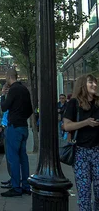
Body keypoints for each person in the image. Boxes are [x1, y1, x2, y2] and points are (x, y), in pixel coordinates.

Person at [62, 74, 99, 211]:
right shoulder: (74, 103)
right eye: (91, 82)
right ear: (83, 84)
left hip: (97, 151)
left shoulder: (98, 103)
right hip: (80, 152)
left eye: (95, 82)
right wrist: (86, 122)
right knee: (84, 193)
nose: (94, 85)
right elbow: (66, 126)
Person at [0, 68, 33, 197]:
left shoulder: (13, 89)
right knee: (23, 158)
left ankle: (16, 187)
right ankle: (26, 185)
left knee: (13, 158)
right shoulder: (24, 89)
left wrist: (3, 94)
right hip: (23, 126)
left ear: (8, 77)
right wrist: (22, 117)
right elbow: (30, 109)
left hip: (14, 127)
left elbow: (4, 107)